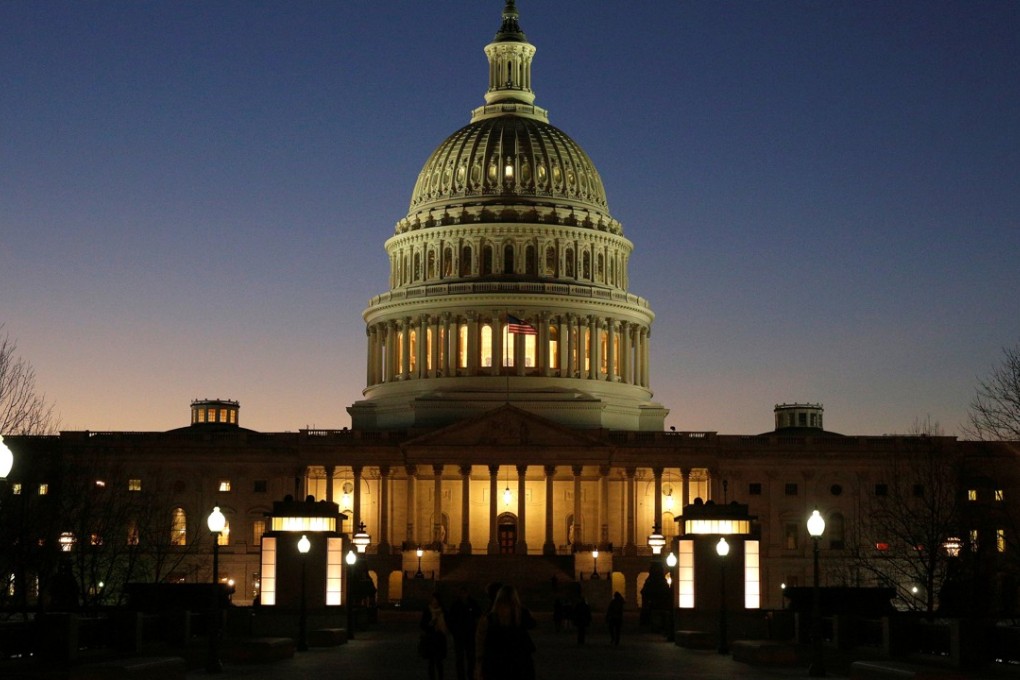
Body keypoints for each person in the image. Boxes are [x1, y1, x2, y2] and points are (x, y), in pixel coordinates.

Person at [475, 585, 536, 680]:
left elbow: (482, 641)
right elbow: (533, 624)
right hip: (519, 662)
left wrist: (480, 663)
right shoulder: (521, 614)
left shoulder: (490, 618)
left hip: (496, 663)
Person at [446, 586, 480, 680]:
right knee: (461, 658)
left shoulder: (471, 603)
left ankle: (469, 675)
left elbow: (478, 616)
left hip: (468, 634)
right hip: (461, 635)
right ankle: (462, 676)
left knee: (469, 658)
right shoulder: (458, 604)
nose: (463, 595)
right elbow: (450, 619)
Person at [421, 592, 449, 680]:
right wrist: (430, 624)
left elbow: (448, 622)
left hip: (440, 638)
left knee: (439, 662)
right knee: (431, 662)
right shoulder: (427, 610)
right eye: (433, 600)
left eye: (435, 600)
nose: (434, 602)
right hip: (431, 638)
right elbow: (422, 624)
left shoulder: (443, 611)